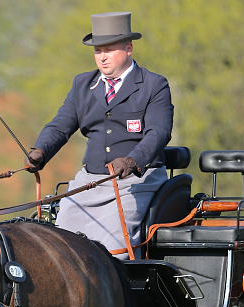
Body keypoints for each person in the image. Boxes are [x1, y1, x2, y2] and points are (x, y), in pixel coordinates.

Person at [24, 12, 173, 259]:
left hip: (136, 182)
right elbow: (61, 125)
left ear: (129, 48)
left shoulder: (154, 85)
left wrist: (132, 160)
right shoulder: (82, 84)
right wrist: (41, 150)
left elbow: (159, 132)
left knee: (110, 253)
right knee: (60, 249)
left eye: (109, 50)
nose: (102, 57)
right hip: (89, 181)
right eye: (97, 51)